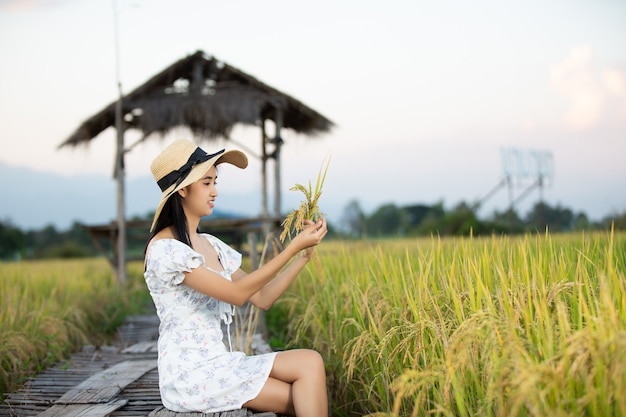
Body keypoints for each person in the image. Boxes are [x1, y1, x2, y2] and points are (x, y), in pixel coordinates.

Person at [143, 138, 329, 417]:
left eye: (215, 182)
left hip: (221, 364)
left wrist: (303, 257)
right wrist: (291, 248)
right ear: (182, 190)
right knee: (305, 398)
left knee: (310, 362)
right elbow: (237, 294)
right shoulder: (165, 250)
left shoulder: (211, 244)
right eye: (206, 183)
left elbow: (262, 298)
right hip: (191, 378)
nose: (214, 191)